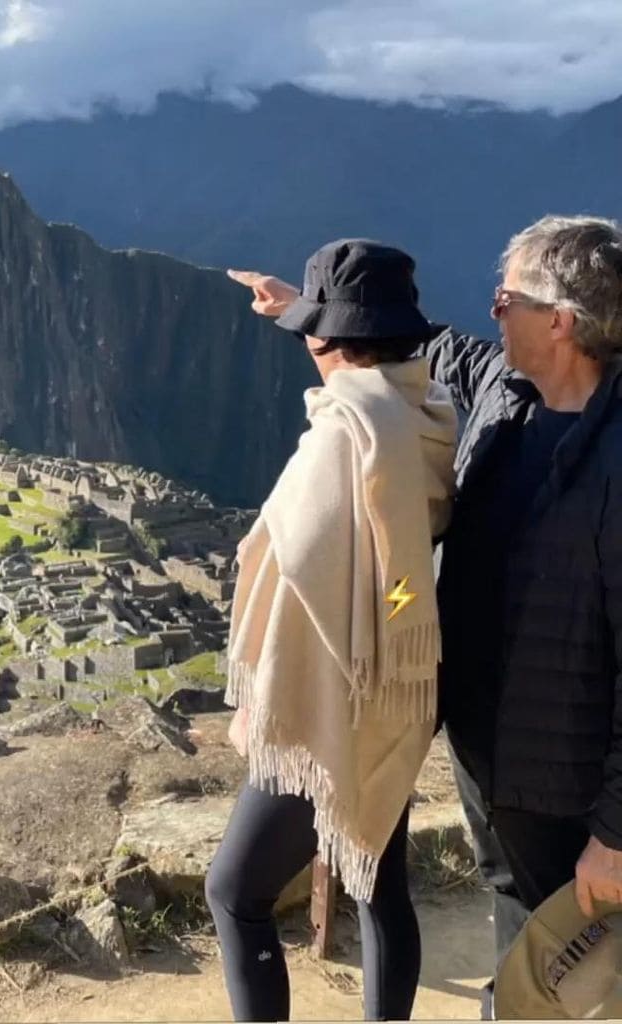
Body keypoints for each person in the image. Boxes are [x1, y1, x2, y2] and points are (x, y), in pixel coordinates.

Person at [231, 215, 622, 1019]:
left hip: (573, 777)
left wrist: (616, 833)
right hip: (488, 755)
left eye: (507, 297)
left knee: (578, 972)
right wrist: (305, 307)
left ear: (561, 322)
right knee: (521, 954)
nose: (492, 309)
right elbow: (406, 341)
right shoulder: (502, 394)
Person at [206, 238, 458, 1022]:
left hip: (328, 693)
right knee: (377, 876)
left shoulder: (343, 438)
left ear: (329, 343)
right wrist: (300, 306)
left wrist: (265, 703)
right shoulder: (429, 416)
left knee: (236, 892)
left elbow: (297, 574)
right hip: (404, 681)